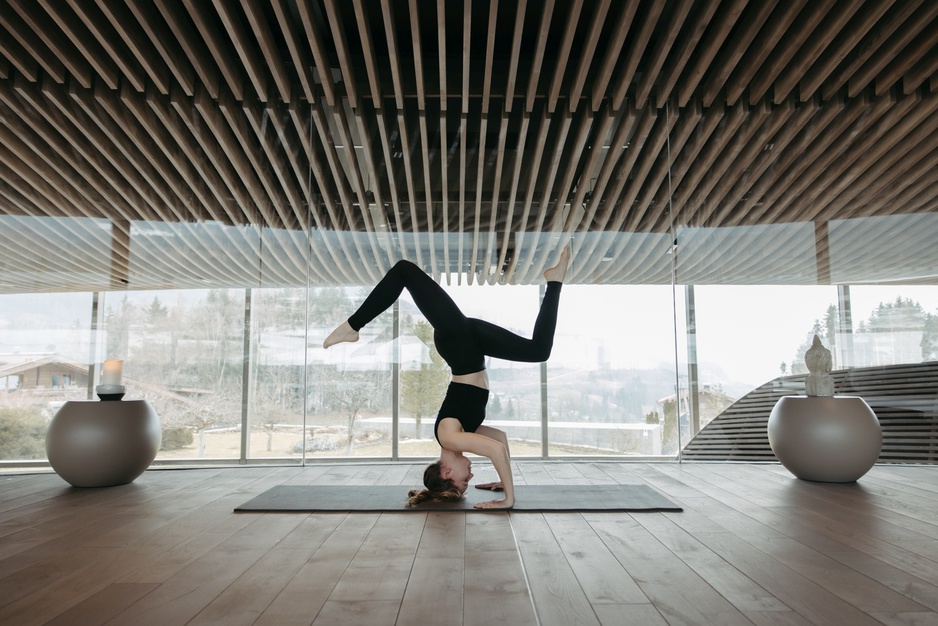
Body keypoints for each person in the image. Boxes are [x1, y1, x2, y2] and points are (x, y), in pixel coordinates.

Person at [324, 246, 570, 509]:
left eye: (465, 482)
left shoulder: (449, 437)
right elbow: (499, 440)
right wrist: (501, 479)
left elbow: (495, 451)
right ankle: (554, 281)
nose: (471, 476)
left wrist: (508, 499)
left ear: (447, 474)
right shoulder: (461, 434)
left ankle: (352, 327)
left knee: (404, 271)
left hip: (460, 345)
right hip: (470, 347)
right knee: (539, 351)